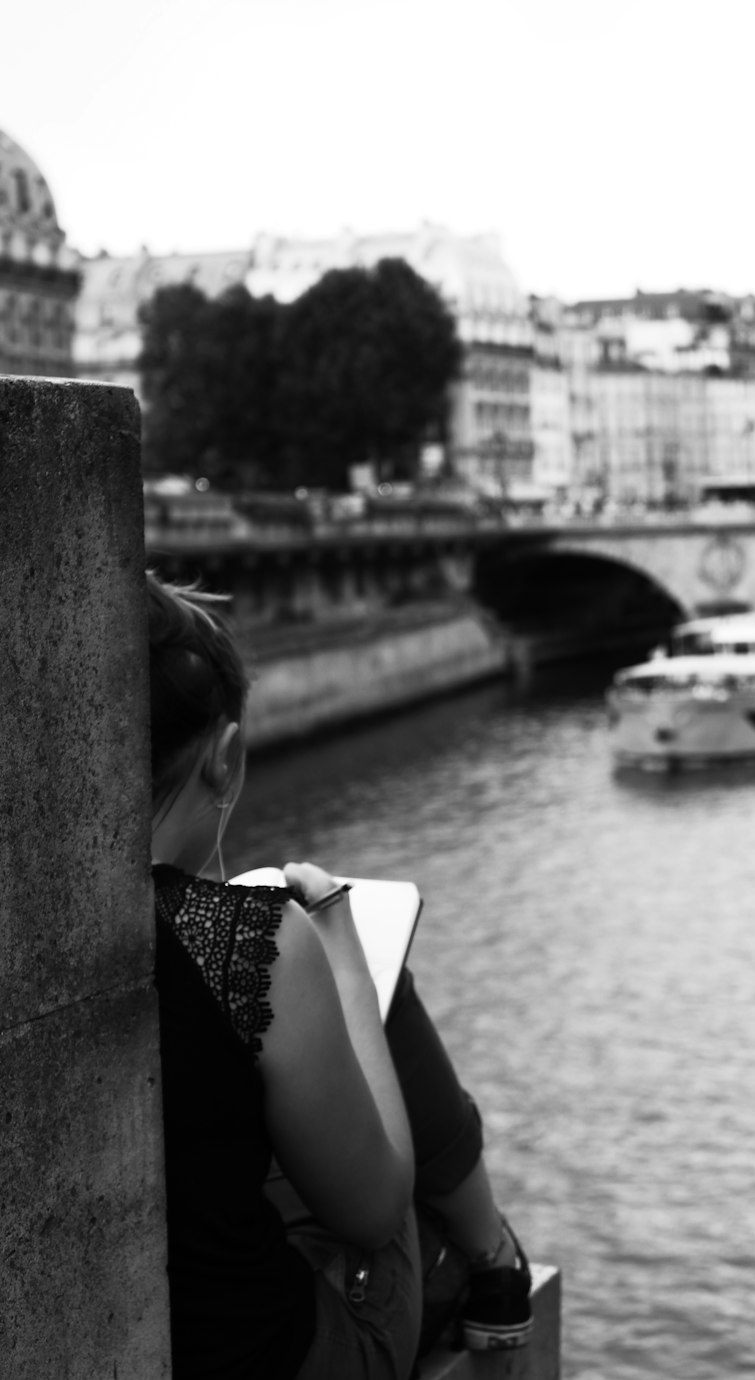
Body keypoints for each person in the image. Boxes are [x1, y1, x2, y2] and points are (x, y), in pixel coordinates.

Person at [147, 570, 532, 1380]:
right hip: (271, 1356)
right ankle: (492, 1258)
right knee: (374, 982)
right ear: (226, 757)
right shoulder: (245, 938)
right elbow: (372, 1210)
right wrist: (337, 941)